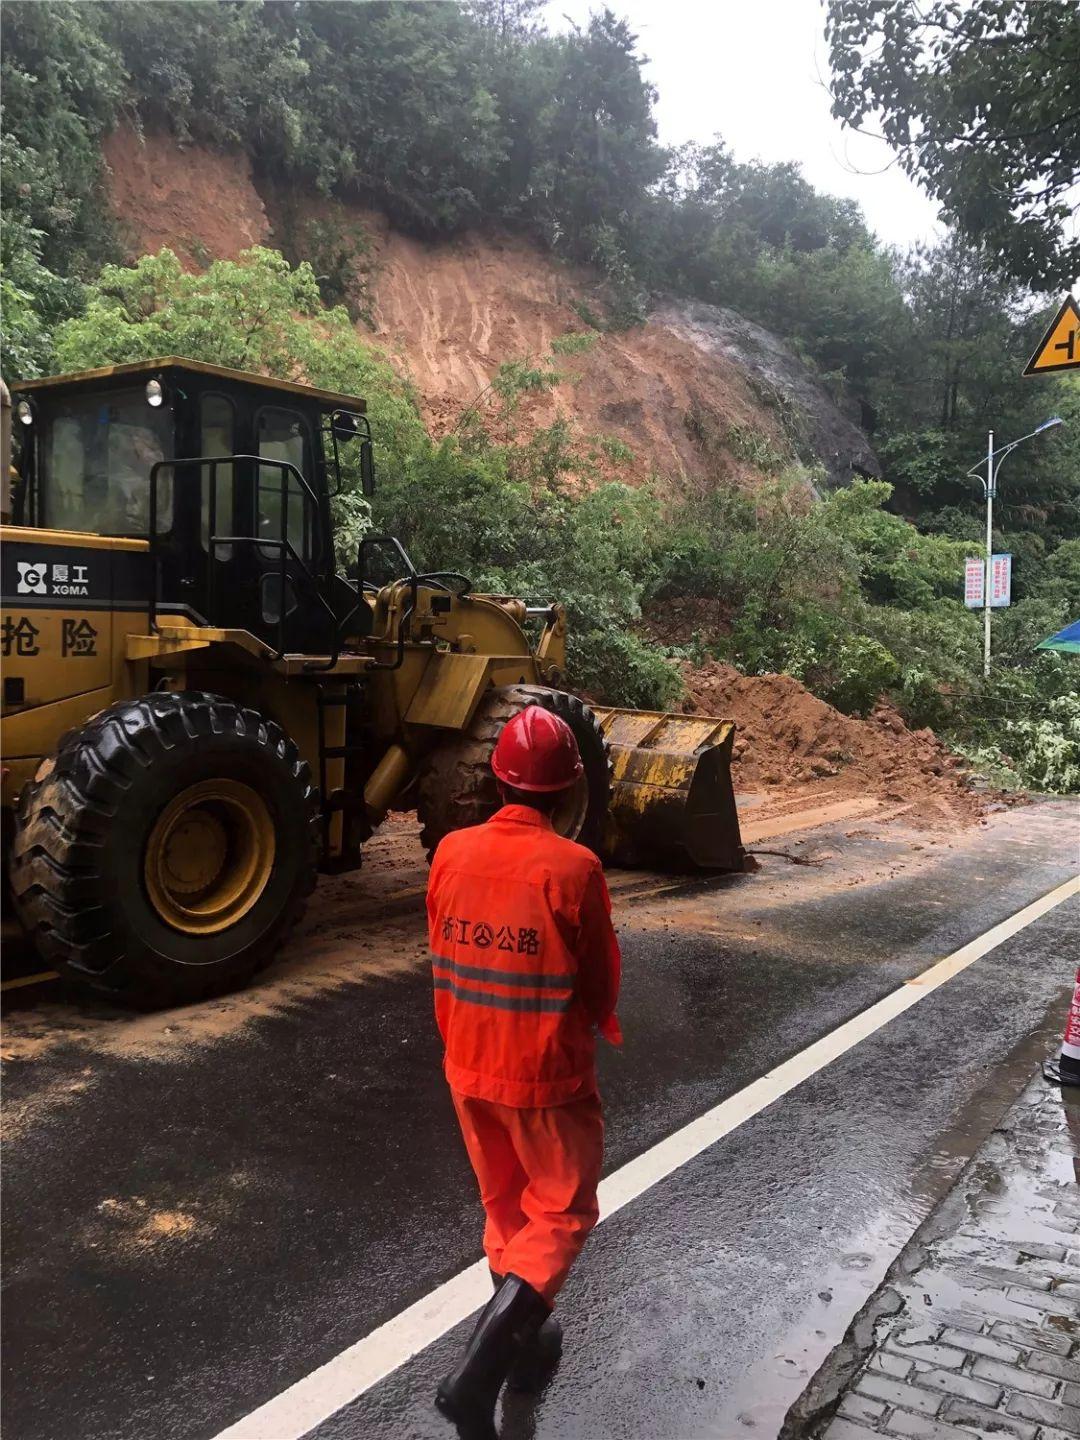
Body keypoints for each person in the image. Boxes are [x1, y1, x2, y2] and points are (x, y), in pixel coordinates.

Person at [426, 705, 622, 1439]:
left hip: (468, 1065)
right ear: (570, 791)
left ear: (497, 779)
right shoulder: (574, 868)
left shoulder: (449, 851)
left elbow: (444, 944)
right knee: (563, 1211)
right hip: (544, 1075)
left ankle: (526, 1348)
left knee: (508, 1211)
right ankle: (473, 1380)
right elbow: (599, 980)